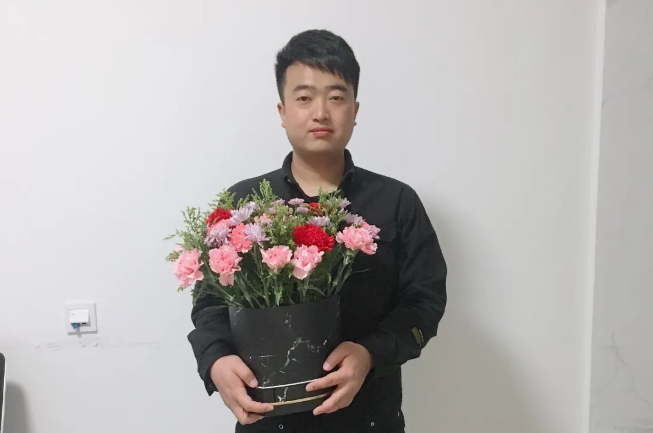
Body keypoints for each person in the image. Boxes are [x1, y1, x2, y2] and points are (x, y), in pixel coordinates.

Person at [187, 29, 447, 433]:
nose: (321, 112)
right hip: (267, 421)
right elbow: (210, 306)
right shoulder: (241, 206)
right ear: (282, 111)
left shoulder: (396, 202)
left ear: (355, 110)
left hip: (368, 419)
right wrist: (216, 360)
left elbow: (424, 303)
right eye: (304, 98)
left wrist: (369, 354)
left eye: (336, 97)